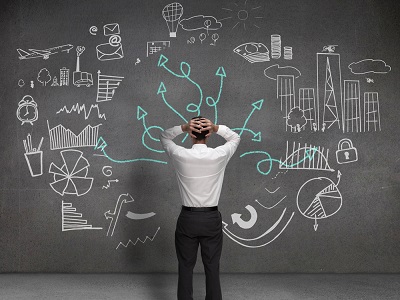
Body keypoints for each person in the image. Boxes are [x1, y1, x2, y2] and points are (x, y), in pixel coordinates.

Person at [160, 116, 241, 300]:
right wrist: (217, 127)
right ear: (208, 135)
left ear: (191, 135)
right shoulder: (218, 155)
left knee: (185, 267)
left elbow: (164, 136)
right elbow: (235, 137)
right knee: (212, 267)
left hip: (187, 219)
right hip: (211, 218)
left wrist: (182, 127)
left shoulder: (180, 154)